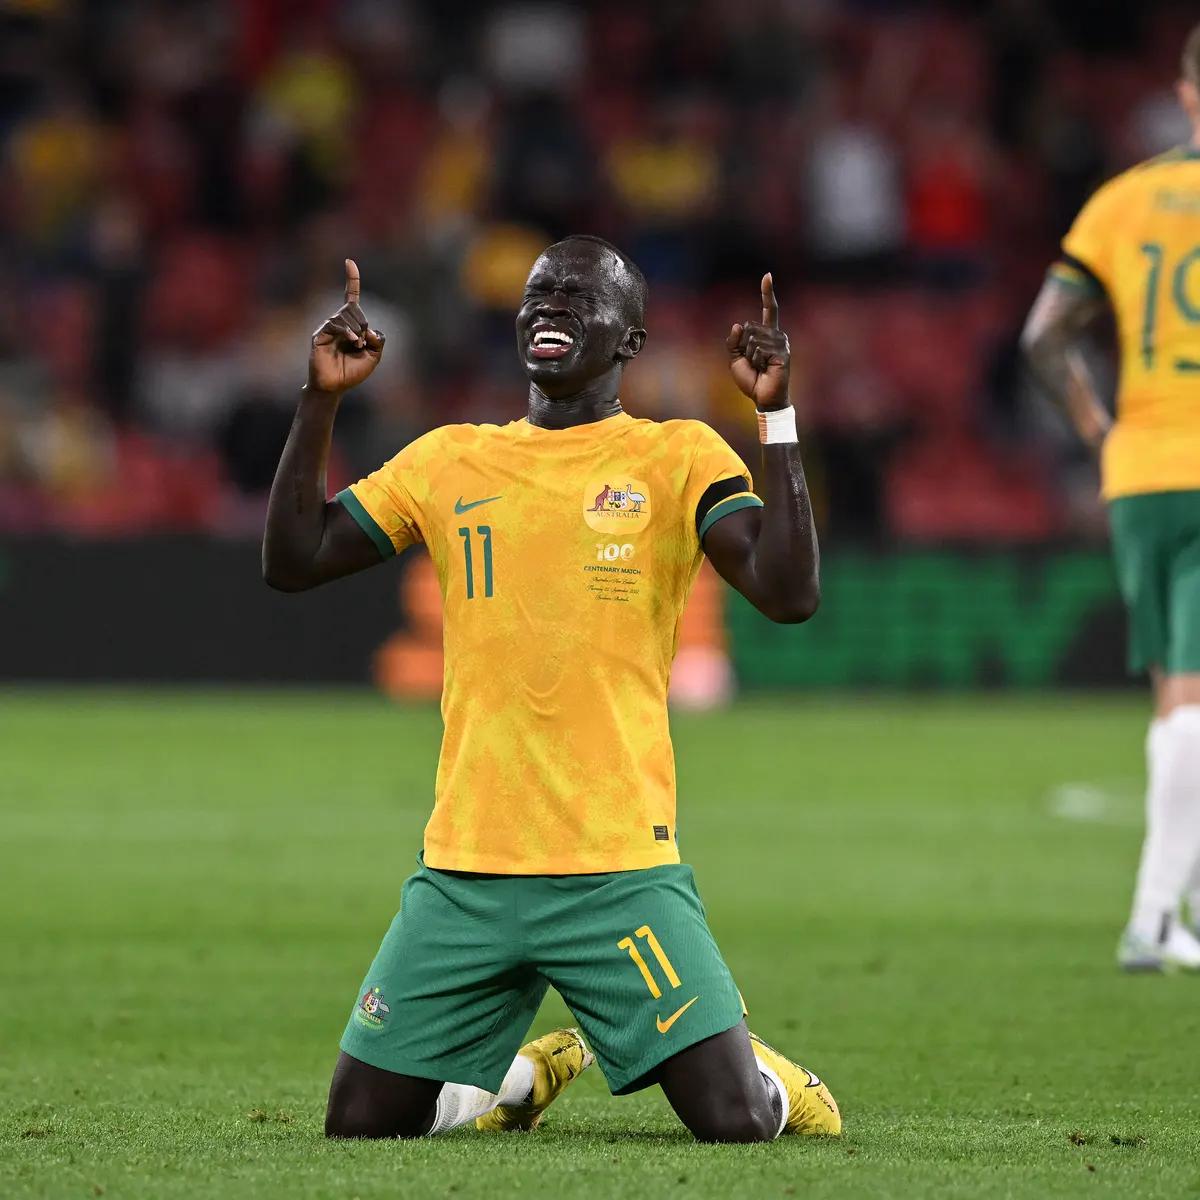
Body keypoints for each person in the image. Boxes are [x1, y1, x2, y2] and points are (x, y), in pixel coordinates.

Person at [262, 235, 838, 1140]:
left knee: (736, 1123)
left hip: (615, 867)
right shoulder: (450, 459)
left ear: (631, 341)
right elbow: (293, 561)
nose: (552, 307)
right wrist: (319, 401)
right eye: (539, 294)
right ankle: (523, 1079)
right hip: (466, 869)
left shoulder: (679, 456)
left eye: (580, 297)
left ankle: (768, 1073)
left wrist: (776, 419)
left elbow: (790, 592)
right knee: (362, 1125)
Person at [1022, 24, 1200, 972]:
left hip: (1145, 471)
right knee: (1195, 693)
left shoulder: (1126, 199)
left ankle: (1177, 900)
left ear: (1185, 92)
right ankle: (1154, 915)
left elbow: (1045, 337)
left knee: (1179, 687)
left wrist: (1102, 435)